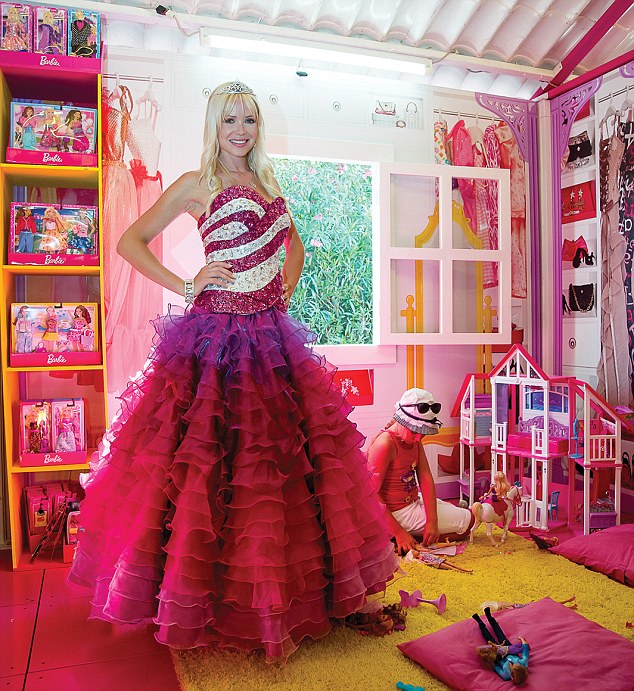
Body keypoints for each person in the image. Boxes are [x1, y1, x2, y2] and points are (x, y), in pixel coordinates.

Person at [67, 80, 397, 663]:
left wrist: (284, 287)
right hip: (214, 342)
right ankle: (204, 602)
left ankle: (278, 599)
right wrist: (187, 284)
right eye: (229, 120)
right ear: (214, 126)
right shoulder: (197, 184)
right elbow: (130, 242)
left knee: (278, 474)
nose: (240, 131)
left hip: (272, 342)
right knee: (205, 472)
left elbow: (295, 247)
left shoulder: (269, 181)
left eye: (248, 120)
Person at [367, 388, 474, 554]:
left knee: (456, 515)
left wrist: (432, 521)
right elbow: (370, 494)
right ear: (402, 421)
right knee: (468, 523)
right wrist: (399, 532)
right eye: (415, 432)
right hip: (396, 511)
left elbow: (425, 477)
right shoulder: (385, 444)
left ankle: (410, 533)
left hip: (412, 500)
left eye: (422, 433)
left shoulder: (414, 440)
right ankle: (397, 536)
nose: (418, 438)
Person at [473, 607, 530, 685]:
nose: (513, 664)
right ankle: (490, 617)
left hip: (499, 657)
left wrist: (491, 658)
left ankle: (480, 623)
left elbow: (496, 668)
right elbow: (525, 652)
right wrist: (523, 641)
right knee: (500, 635)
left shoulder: (506, 675)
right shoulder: (523, 664)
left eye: (513, 666)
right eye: (517, 664)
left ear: (511, 676)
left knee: (489, 639)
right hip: (509, 650)